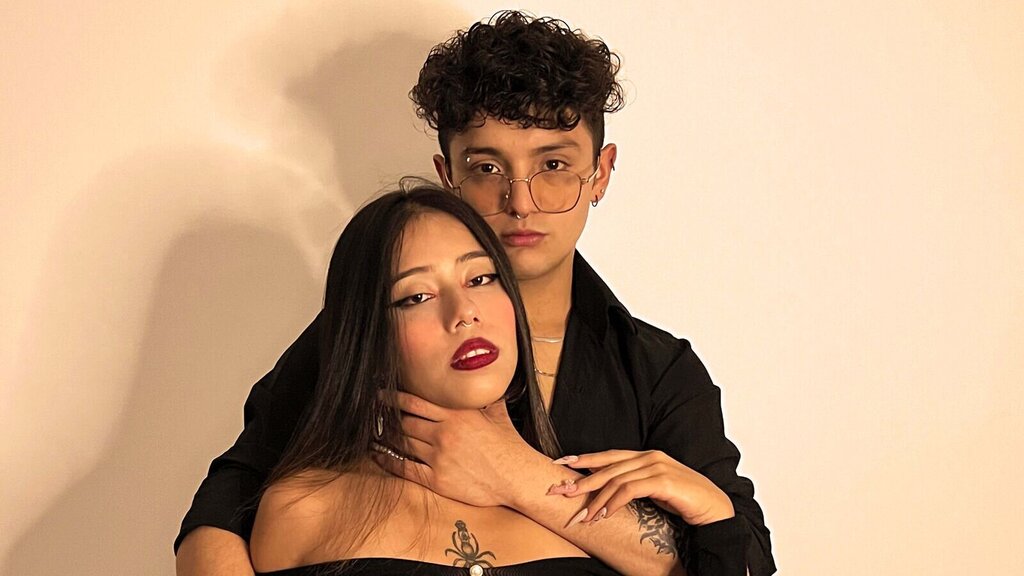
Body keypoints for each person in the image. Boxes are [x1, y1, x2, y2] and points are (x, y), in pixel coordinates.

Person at [176, 11, 774, 576]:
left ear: (601, 172)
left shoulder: (658, 372)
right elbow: (224, 508)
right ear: (448, 177)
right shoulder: (366, 335)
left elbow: (739, 555)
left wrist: (514, 473)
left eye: (554, 165)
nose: (521, 201)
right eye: (487, 168)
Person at [250, 183, 622, 575]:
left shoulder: (604, 507)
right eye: (416, 297)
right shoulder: (303, 512)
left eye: (481, 278)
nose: (464, 312)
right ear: (368, 339)